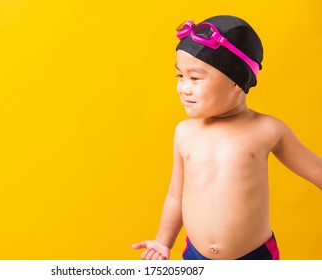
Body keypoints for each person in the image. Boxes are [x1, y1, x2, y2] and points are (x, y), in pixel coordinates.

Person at [132, 15, 322, 260]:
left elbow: (317, 169)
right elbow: (175, 196)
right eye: (180, 76)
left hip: (254, 259)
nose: (184, 88)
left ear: (236, 80)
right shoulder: (185, 132)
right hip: (196, 257)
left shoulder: (267, 129)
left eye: (195, 78)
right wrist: (162, 241)